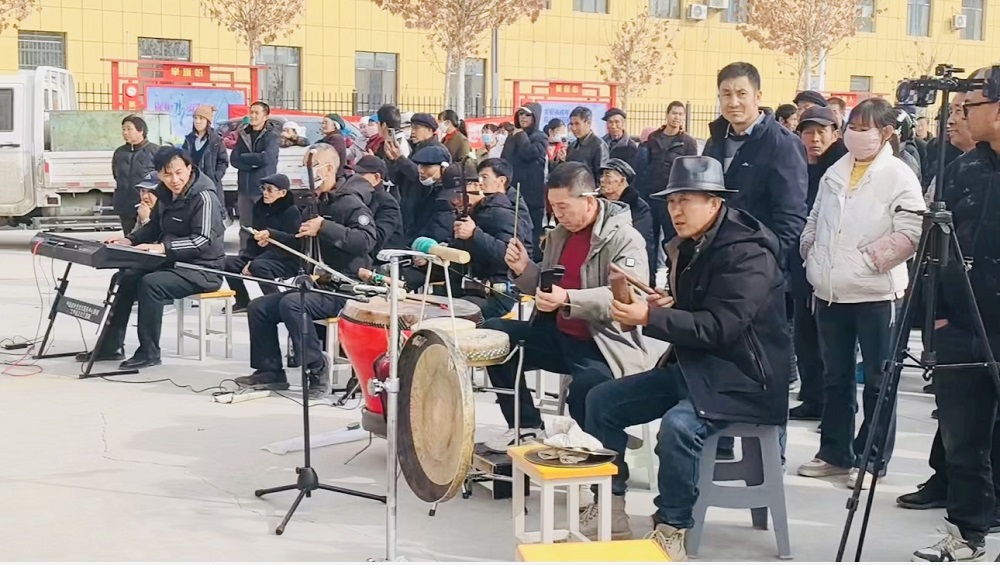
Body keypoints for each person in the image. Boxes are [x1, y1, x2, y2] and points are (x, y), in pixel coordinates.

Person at [586, 155, 790, 557]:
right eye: (672, 201)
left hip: (744, 377)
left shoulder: (748, 252)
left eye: (686, 200)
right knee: (601, 401)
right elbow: (699, 310)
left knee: (678, 427)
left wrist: (653, 316)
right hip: (695, 367)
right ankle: (610, 503)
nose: (675, 210)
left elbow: (721, 326)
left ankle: (672, 525)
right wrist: (668, 305)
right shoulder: (690, 243)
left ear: (714, 203)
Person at [796, 98, 925, 490]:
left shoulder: (898, 175)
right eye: (852, 124)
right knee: (835, 377)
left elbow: (912, 229)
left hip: (876, 294)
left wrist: (874, 260)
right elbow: (816, 217)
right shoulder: (837, 170)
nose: (855, 132)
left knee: (878, 379)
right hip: (831, 291)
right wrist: (810, 249)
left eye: (865, 126)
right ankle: (835, 452)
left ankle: (871, 458)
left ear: (886, 133)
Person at [480, 162, 651, 452]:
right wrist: (523, 269)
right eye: (553, 208)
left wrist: (569, 299)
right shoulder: (559, 234)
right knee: (494, 337)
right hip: (557, 333)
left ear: (587, 200)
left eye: (563, 207)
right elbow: (547, 287)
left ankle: (607, 476)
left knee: (586, 391)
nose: (557, 215)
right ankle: (526, 426)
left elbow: (628, 298)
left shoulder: (624, 238)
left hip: (601, 342)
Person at [909, 68, 1000, 562]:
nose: (960, 113)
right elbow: (936, 253)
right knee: (963, 440)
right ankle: (967, 534)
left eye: (970, 105)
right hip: (963, 328)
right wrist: (937, 317)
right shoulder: (965, 170)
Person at [703, 62, 808, 453]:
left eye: (741, 94)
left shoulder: (782, 143)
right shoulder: (716, 140)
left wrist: (767, 267)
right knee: (718, 361)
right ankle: (719, 445)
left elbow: (791, 218)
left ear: (758, 96)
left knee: (764, 367)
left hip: (761, 277)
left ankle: (768, 461)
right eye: (726, 94)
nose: (733, 102)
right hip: (717, 272)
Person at [237, 143, 377, 397]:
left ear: (328, 168)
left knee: (293, 303)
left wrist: (325, 227)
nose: (306, 173)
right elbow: (304, 244)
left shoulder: (349, 202)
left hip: (345, 286)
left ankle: (317, 366)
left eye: (310, 168)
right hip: (317, 283)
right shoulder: (315, 203)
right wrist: (276, 237)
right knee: (260, 307)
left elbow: (366, 241)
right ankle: (269, 371)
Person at [86, 147, 225, 369]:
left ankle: (149, 352)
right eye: (167, 174)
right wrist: (129, 240)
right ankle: (110, 346)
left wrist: (163, 247)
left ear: (189, 168)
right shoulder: (165, 193)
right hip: (173, 262)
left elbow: (203, 240)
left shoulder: (204, 196)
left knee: (152, 284)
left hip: (204, 269)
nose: (174, 179)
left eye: (179, 172)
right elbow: (154, 226)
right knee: (125, 277)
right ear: (159, 174)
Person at [788, 106, 847, 422]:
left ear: (836, 133)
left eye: (822, 131)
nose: (815, 138)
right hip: (801, 263)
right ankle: (812, 396)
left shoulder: (840, 169)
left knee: (827, 339)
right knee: (805, 334)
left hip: (830, 266)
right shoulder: (799, 166)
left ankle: (826, 401)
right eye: (808, 132)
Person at [448, 158, 532, 319]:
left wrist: (474, 234)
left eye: (484, 177)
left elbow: (509, 257)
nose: (455, 201)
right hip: (469, 287)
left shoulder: (501, 213)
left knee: (453, 317)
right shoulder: (476, 212)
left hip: (497, 294)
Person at [222, 173, 301, 312]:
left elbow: (294, 241)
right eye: (263, 188)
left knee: (258, 266)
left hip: (285, 258)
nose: (265, 193)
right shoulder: (260, 207)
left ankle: (275, 303)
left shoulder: (291, 211)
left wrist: (272, 235)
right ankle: (242, 301)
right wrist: (247, 258)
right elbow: (254, 236)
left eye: (270, 190)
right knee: (227, 262)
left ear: (282, 192)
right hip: (261, 255)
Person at [640, 101, 699, 258]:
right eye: (674, 113)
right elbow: (645, 167)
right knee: (649, 239)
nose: (677, 117)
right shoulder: (653, 138)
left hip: (673, 199)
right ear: (667, 115)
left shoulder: (688, 143)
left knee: (673, 240)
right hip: (652, 197)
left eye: (680, 114)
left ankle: (672, 277)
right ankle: (649, 279)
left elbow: (690, 173)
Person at [385, 113, 449, 245]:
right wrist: (393, 160)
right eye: (411, 128)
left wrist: (400, 159)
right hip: (408, 207)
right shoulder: (415, 149)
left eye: (416, 128)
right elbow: (398, 177)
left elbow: (419, 176)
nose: (412, 132)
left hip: (421, 208)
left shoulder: (437, 151)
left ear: (430, 130)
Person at [500, 103, 547, 263]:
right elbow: (504, 159)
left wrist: (521, 137)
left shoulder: (540, 137)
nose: (523, 118)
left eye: (527, 115)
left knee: (531, 231)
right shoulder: (513, 135)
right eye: (521, 114)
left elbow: (530, 153)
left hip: (532, 195)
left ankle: (531, 263)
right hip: (512, 190)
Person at [230, 101, 279, 254]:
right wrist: (252, 163)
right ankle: (244, 254)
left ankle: (264, 255)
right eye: (251, 112)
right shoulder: (244, 134)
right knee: (245, 226)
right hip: (244, 188)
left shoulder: (272, 136)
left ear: (266, 116)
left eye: (257, 113)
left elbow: (267, 159)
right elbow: (234, 159)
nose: (253, 115)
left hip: (263, 188)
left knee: (263, 225)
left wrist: (246, 158)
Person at [598, 158, 653, 272]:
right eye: (602, 176)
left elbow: (636, 237)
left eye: (608, 175)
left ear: (622, 180)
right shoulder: (598, 204)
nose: (602, 180)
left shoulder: (639, 207)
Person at [112, 115, 159, 235]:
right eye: (123, 129)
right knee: (129, 238)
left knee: (147, 236)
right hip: (125, 205)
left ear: (141, 130)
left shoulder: (155, 151)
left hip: (147, 205)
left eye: (129, 129)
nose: (125, 133)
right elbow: (116, 175)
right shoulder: (119, 152)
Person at [352, 155, 405, 256]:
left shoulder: (388, 203)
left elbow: (378, 238)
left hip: (382, 262)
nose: (354, 178)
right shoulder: (357, 197)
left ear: (376, 177)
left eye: (360, 175)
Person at [182, 105, 229, 208]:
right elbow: (183, 159)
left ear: (208, 121)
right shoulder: (189, 139)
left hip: (210, 183)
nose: (197, 121)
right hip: (192, 183)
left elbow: (223, 161)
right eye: (195, 118)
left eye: (201, 118)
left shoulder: (216, 140)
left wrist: (216, 176)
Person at [557, 106, 609, 184]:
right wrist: (562, 162)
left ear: (588, 123)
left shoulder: (599, 145)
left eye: (577, 124)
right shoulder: (572, 145)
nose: (573, 128)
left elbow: (601, 176)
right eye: (571, 124)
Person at [320, 113, 350, 179]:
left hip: (335, 176)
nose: (323, 126)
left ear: (335, 125)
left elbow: (330, 157)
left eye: (326, 123)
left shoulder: (336, 138)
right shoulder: (329, 137)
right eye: (322, 123)